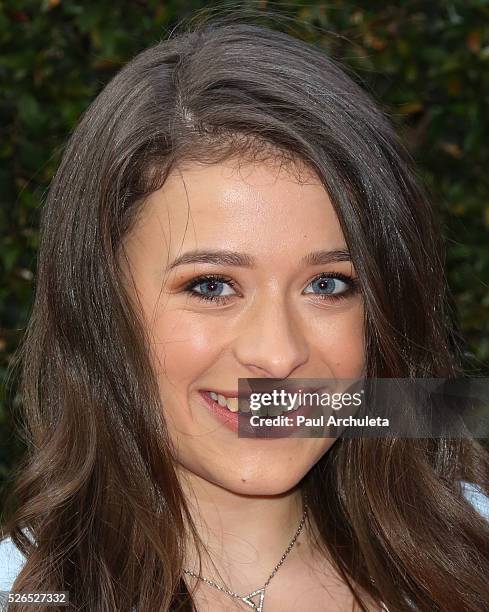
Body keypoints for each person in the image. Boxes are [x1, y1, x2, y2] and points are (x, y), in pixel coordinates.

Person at [1, 16, 488, 612]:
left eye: (329, 284)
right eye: (211, 286)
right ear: (101, 304)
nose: (278, 355)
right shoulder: (22, 595)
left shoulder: (472, 550)